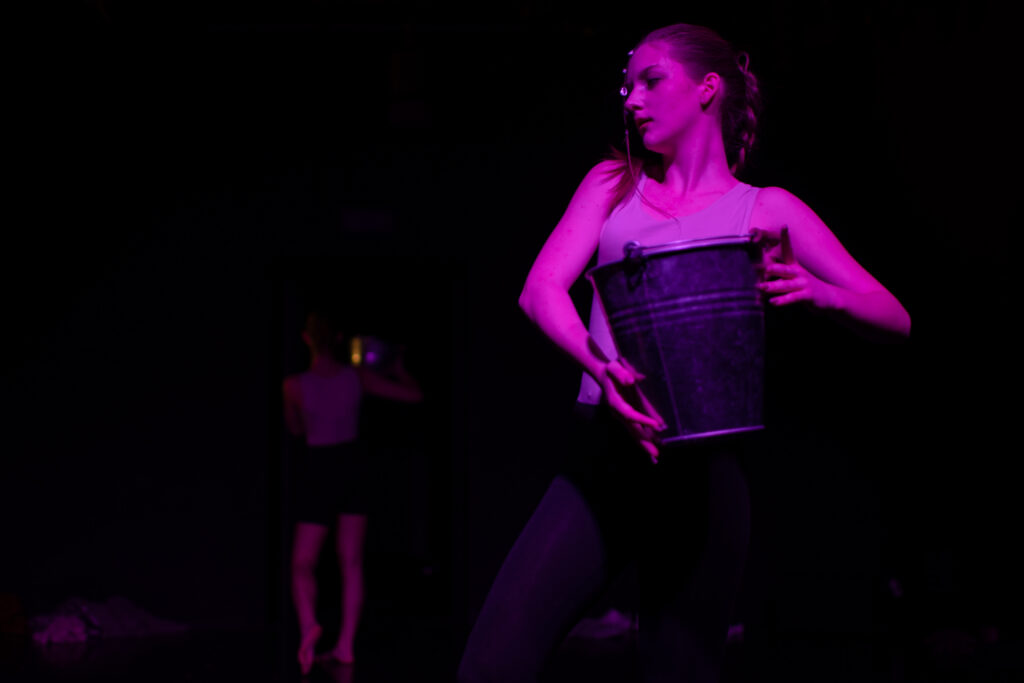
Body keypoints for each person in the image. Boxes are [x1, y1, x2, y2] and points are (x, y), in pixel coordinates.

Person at [457, 22, 910, 683]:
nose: (632, 99)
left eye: (650, 80)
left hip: (703, 474)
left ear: (707, 88)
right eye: (627, 86)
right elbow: (539, 290)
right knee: (492, 664)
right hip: (606, 460)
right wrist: (599, 363)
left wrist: (817, 292)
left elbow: (894, 316)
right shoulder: (614, 185)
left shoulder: (765, 208)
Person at [282, 310, 423, 675]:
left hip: (319, 468)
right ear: (339, 339)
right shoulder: (356, 377)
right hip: (352, 467)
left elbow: (295, 430)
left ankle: (309, 624)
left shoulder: (294, 385)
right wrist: (397, 368)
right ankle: (345, 645)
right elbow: (414, 395)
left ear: (307, 339)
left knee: (302, 563)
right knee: (351, 562)